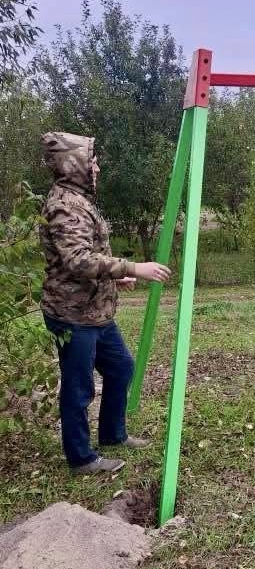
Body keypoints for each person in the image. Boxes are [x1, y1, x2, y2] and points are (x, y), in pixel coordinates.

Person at [39, 132, 172, 475]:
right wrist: (132, 268)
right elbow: (79, 261)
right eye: (92, 161)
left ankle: (113, 435)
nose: (97, 167)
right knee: (79, 387)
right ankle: (81, 459)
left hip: (94, 311)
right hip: (72, 314)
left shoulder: (79, 200)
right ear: (74, 165)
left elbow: (89, 255)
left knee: (121, 368)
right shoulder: (65, 206)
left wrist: (114, 278)